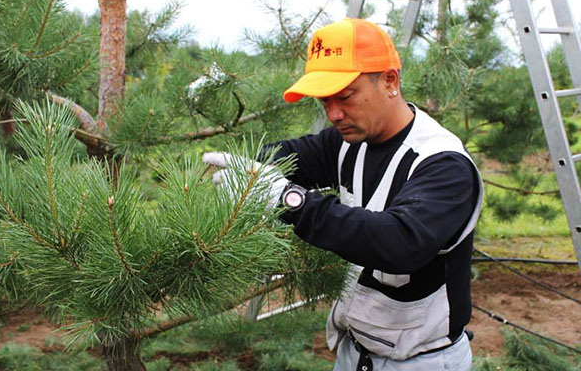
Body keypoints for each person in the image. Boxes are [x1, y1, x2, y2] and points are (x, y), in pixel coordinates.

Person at [204, 18, 483, 371]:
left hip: (420, 360)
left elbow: (399, 242)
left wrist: (289, 199)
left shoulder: (444, 165)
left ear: (389, 81)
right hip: (354, 352)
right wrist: (239, 167)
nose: (334, 114)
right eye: (325, 101)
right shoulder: (351, 141)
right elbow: (292, 154)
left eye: (346, 96)